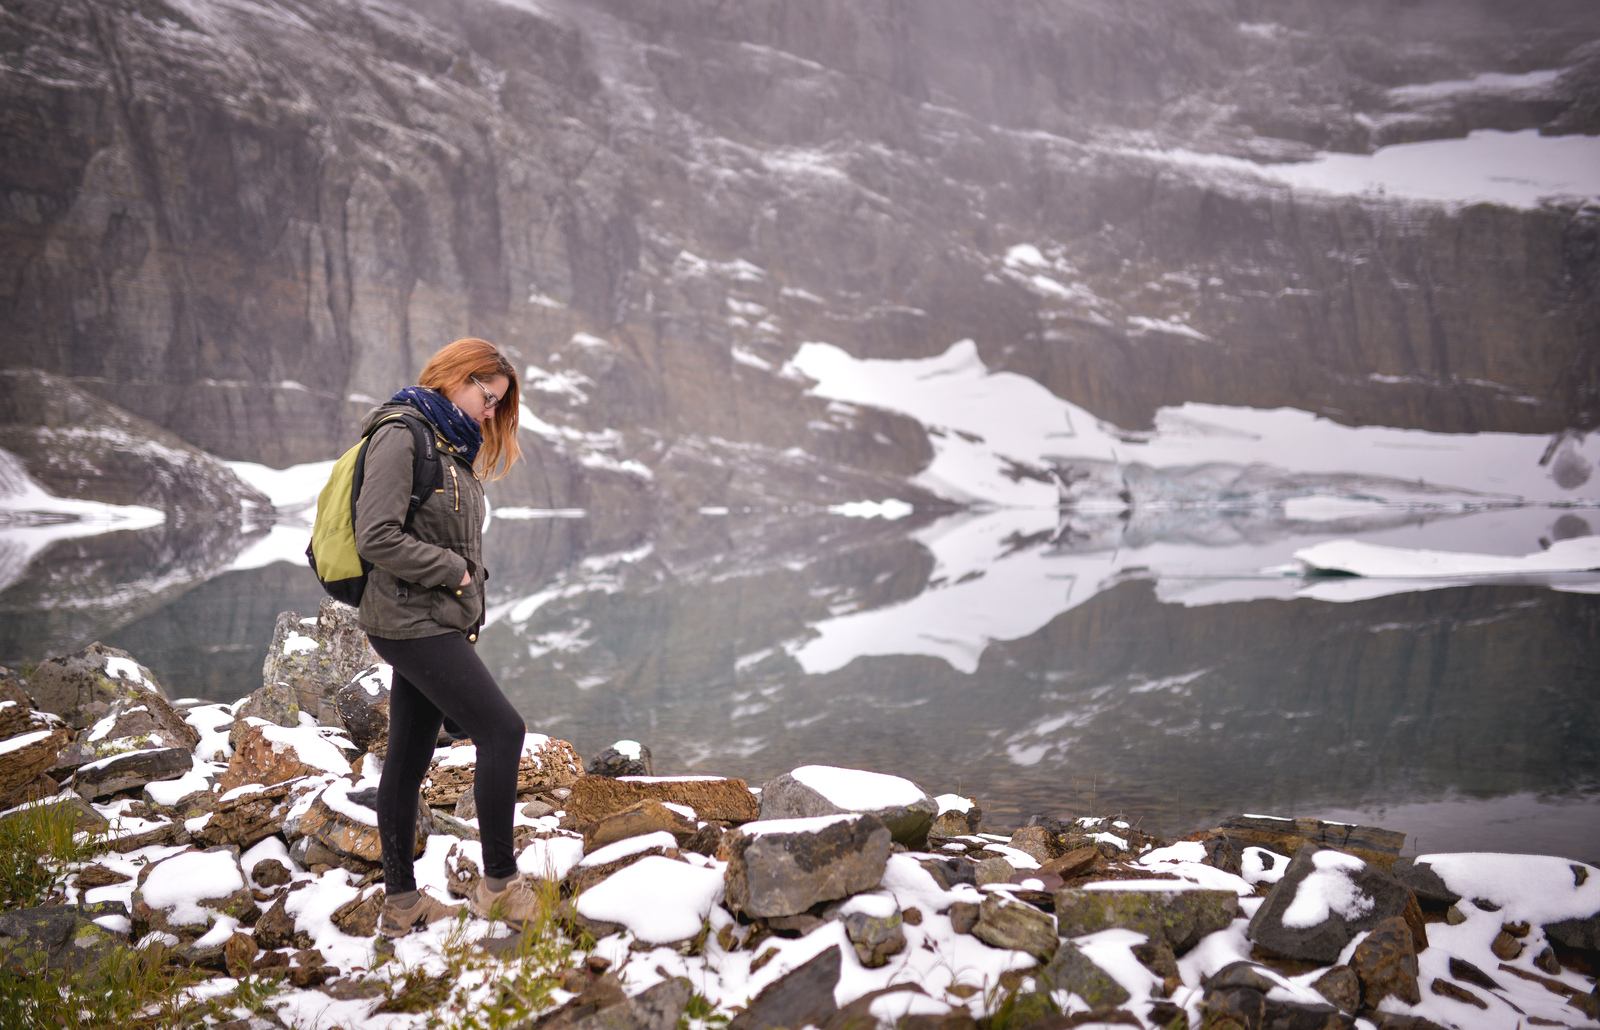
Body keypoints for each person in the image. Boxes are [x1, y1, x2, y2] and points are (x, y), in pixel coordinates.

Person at [353, 337, 539, 937]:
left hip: (429, 621)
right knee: (502, 730)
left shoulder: (446, 444)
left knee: (407, 760)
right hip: (410, 623)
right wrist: (453, 572)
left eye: (497, 405)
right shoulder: (402, 434)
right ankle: (500, 886)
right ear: (457, 376)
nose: (489, 413)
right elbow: (375, 535)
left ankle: (401, 904)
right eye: (488, 398)